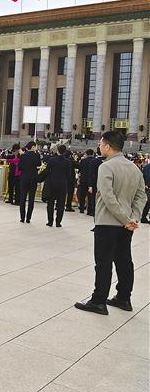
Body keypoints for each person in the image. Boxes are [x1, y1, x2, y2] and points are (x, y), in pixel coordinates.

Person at [74, 131, 146, 315]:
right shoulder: (134, 168)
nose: (99, 146)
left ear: (107, 146)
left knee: (103, 262)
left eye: (101, 143)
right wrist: (133, 218)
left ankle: (98, 301)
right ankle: (124, 297)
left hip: (107, 222)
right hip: (126, 224)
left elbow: (108, 197)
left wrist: (126, 219)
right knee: (124, 260)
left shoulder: (106, 167)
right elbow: (141, 196)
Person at [38, 144, 71, 227]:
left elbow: (47, 171)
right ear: (65, 152)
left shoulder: (52, 160)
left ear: (57, 151)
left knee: (50, 203)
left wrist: (39, 178)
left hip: (52, 184)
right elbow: (69, 175)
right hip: (62, 185)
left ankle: (50, 221)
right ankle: (58, 222)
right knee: (61, 204)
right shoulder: (68, 162)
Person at [18, 141, 42, 223]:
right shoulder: (36, 155)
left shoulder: (23, 156)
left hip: (24, 178)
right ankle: (28, 218)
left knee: (22, 198)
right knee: (31, 199)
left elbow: (20, 167)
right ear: (33, 147)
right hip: (33, 179)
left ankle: (22, 217)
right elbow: (39, 164)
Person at [77, 149, 96, 213]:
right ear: (92, 154)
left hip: (83, 179)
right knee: (90, 196)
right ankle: (89, 210)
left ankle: (81, 208)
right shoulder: (94, 161)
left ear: (86, 154)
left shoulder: (83, 161)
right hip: (91, 180)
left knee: (82, 195)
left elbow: (79, 169)